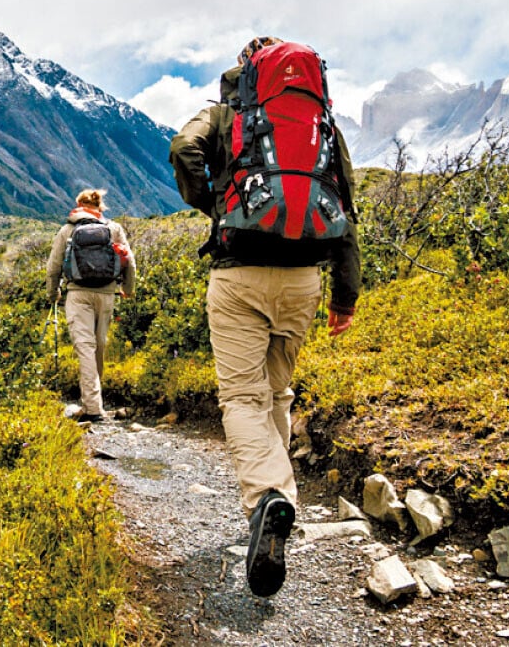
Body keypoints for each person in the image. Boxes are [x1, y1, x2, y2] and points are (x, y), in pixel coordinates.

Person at [169, 36, 360, 597]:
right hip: (304, 279)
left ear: (247, 70)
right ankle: (278, 505)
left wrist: (214, 202)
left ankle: (268, 499)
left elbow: (184, 149)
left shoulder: (228, 113)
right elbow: (346, 206)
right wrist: (344, 298)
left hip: (239, 273)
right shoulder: (321, 124)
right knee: (277, 393)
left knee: (242, 398)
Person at [46, 188, 137, 424]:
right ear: (100, 207)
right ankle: (93, 403)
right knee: (99, 346)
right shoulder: (113, 228)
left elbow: (53, 266)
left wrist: (53, 292)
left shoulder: (67, 229)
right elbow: (129, 261)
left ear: (78, 205)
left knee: (85, 347)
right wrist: (128, 289)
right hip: (107, 294)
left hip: (78, 294)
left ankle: (93, 408)